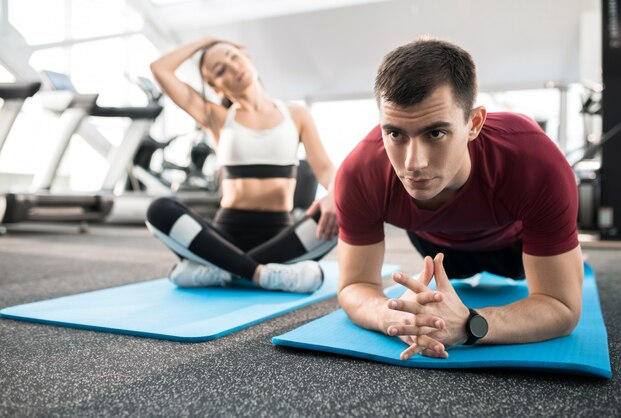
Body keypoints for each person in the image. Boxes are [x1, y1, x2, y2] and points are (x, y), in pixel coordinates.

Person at [335, 37, 583, 359]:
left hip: (514, 249)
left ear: (474, 124)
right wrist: (395, 318)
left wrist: (471, 324)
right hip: (438, 254)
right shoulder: (360, 173)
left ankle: (567, 249)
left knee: (563, 274)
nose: (413, 164)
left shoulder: (535, 162)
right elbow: (354, 287)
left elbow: (562, 306)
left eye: (435, 133)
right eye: (395, 133)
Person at [147, 37, 338, 293]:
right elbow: (160, 69)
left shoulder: (297, 114)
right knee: (159, 209)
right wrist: (206, 42)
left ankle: (222, 270)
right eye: (220, 70)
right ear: (216, 88)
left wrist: (335, 193)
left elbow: (325, 168)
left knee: (346, 206)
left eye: (233, 57)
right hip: (225, 236)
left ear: (247, 57)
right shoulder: (216, 117)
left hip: (281, 237)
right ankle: (260, 273)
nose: (233, 67)